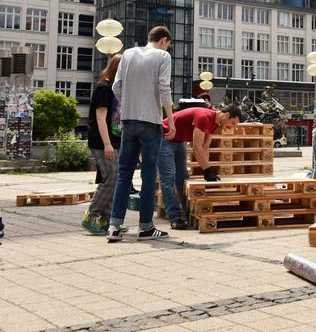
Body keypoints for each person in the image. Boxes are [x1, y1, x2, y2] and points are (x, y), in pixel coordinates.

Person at [108, 26, 176, 242]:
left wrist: (129, 102)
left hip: (129, 120)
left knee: (124, 174)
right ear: (164, 40)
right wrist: (171, 120)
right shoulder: (163, 56)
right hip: (150, 122)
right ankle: (146, 227)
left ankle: (115, 227)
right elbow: (164, 87)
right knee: (148, 176)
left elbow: (116, 87)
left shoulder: (127, 54)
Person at [159, 104, 242, 229]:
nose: (232, 127)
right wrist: (207, 169)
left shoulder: (216, 124)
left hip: (179, 141)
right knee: (168, 179)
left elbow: (205, 147)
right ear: (227, 115)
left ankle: (188, 215)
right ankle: (175, 218)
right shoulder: (204, 117)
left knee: (182, 179)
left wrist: (208, 170)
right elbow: (196, 146)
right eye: (233, 123)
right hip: (164, 138)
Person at [81, 55, 124, 235]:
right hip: (101, 141)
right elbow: (100, 118)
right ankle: (93, 215)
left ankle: (105, 219)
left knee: (114, 179)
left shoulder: (115, 89)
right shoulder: (103, 88)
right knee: (111, 177)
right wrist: (107, 144)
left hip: (114, 140)